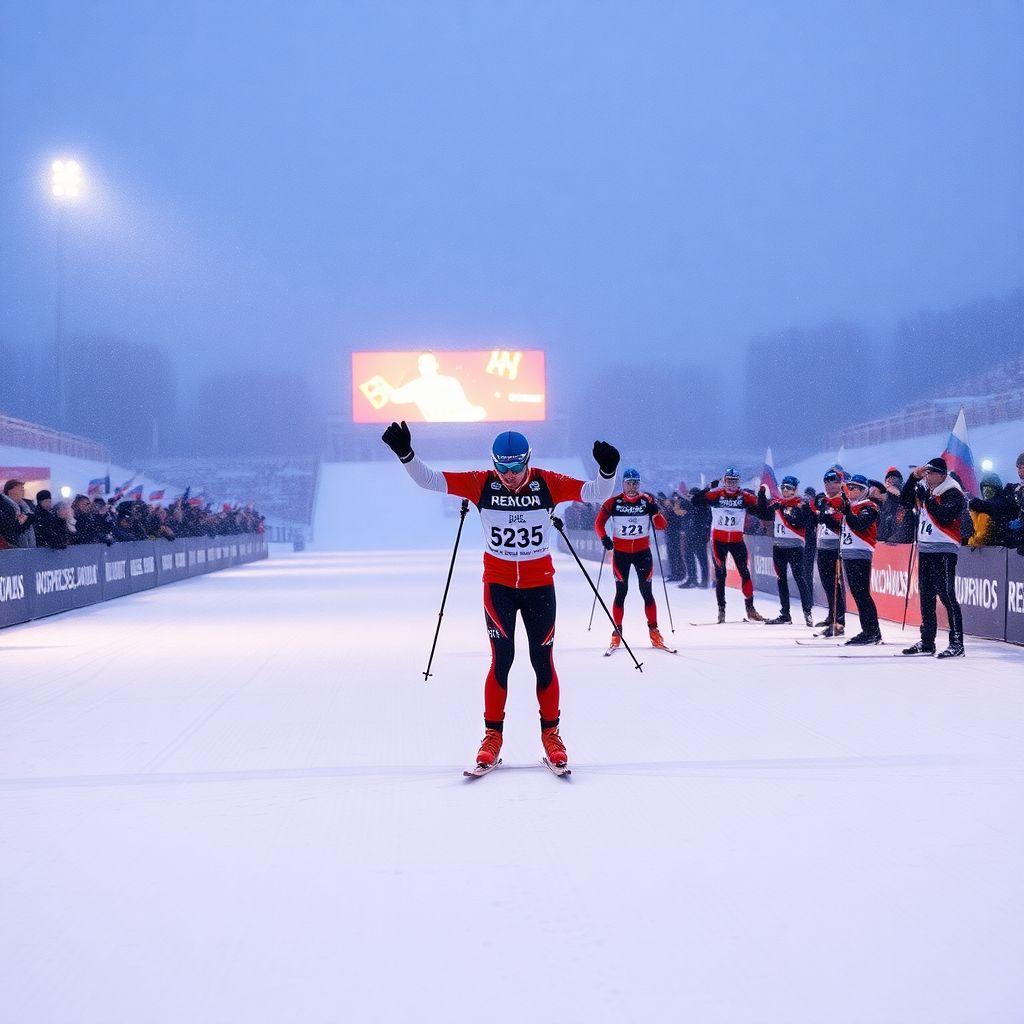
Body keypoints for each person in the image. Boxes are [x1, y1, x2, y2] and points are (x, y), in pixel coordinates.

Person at [381, 419, 620, 768]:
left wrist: (608, 469)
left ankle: (551, 734)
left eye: (516, 466)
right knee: (501, 660)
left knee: (543, 661)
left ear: (528, 460)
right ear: (494, 463)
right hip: (499, 587)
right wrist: (406, 454)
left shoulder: (547, 483)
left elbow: (595, 492)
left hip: (540, 587)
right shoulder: (481, 484)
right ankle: (492, 736)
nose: (509, 475)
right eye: (502, 467)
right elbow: (429, 480)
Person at [594, 467, 671, 651]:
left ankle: (654, 631)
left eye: (635, 483)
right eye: (628, 483)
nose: (632, 487)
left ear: (639, 484)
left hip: (642, 553)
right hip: (621, 555)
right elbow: (598, 523)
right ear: (623, 484)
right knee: (621, 593)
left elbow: (661, 526)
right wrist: (604, 538)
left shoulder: (647, 501)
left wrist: (656, 512)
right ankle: (617, 631)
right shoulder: (613, 502)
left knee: (647, 592)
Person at [899, 457, 966, 658]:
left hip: (944, 549)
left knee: (946, 595)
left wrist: (926, 498)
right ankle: (927, 640)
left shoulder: (953, 492)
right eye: (925, 473)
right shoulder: (927, 489)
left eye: (931, 473)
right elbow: (904, 500)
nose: (927, 477)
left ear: (942, 475)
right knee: (926, 596)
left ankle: (957, 642)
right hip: (926, 549)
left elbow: (945, 516)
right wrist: (912, 479)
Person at [691, 468, 764, 623]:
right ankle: (721, 610)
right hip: (718, 540)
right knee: (721, 575)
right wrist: (709, 487)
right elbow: (695, 501)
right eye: (729, 480)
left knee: (745, 573)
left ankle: (750, 609)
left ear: (738, 482)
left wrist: (761, 495)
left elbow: (761, 510)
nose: (731, 484)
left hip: (737, 540)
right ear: (724, 480)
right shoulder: (716, 495)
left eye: (734, 481)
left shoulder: (744, 496)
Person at [754, 474, 814, 626]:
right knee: (781, 580)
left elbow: (801, 522)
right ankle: (785, 613)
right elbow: (762, 513)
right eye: (783, 488)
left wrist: (786, 510)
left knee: (800, 579)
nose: (786, 491)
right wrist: (761, 496)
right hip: (779, 547)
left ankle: (807, 612)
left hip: (795, 547)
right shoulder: (777, 503)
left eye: (789, 488)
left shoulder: (800, 504)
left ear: (795, 490)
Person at [838, 474, 882, 645]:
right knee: (857, 594)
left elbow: (859, 524)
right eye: (850, 488)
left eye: (855, 488)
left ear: (864, 490)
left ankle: (871, 631)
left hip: (860, 554)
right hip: (849, 553)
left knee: (862, 593)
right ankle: (870, 631)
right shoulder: (853, 506)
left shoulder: (869, 506)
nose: (851, 491)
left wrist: (847, 511)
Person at [811, 469, 847, 637]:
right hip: (822, 546)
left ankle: (838, 622)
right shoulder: (822, 499)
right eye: (825, 480)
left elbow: (840, 523)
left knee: (835, 586)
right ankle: (831, 616)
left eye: (832, 480)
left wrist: (826, 517)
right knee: (827, 585)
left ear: (840, 482)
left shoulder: (843, 500)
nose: (828, 483)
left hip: (836, 547)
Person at [876, 467, 916, 544]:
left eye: (893, 478)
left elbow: (905, 533)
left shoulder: (906, 498)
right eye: (888, 479)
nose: (889, 481)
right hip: (886, 543)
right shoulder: (884, 502)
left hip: (901, 545)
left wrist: (897, 494)